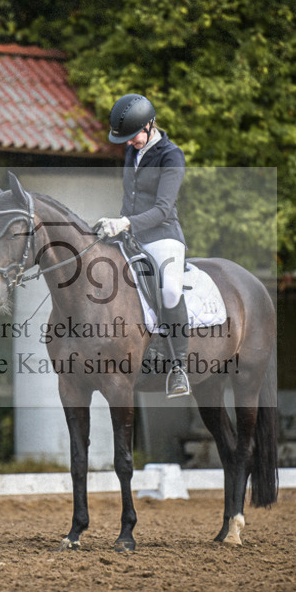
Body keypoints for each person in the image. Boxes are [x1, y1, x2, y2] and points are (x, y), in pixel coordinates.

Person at [96, 93, 190, 396]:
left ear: (150, 125)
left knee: (170, 290)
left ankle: (179, 368)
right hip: (132, 235)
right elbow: (131, 198)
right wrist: (115, 225)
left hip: (163, 236)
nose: (128, 143)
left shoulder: (171, 155)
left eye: (132, 135)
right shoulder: (132, 151)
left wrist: (126, 223)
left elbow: (163, 208)